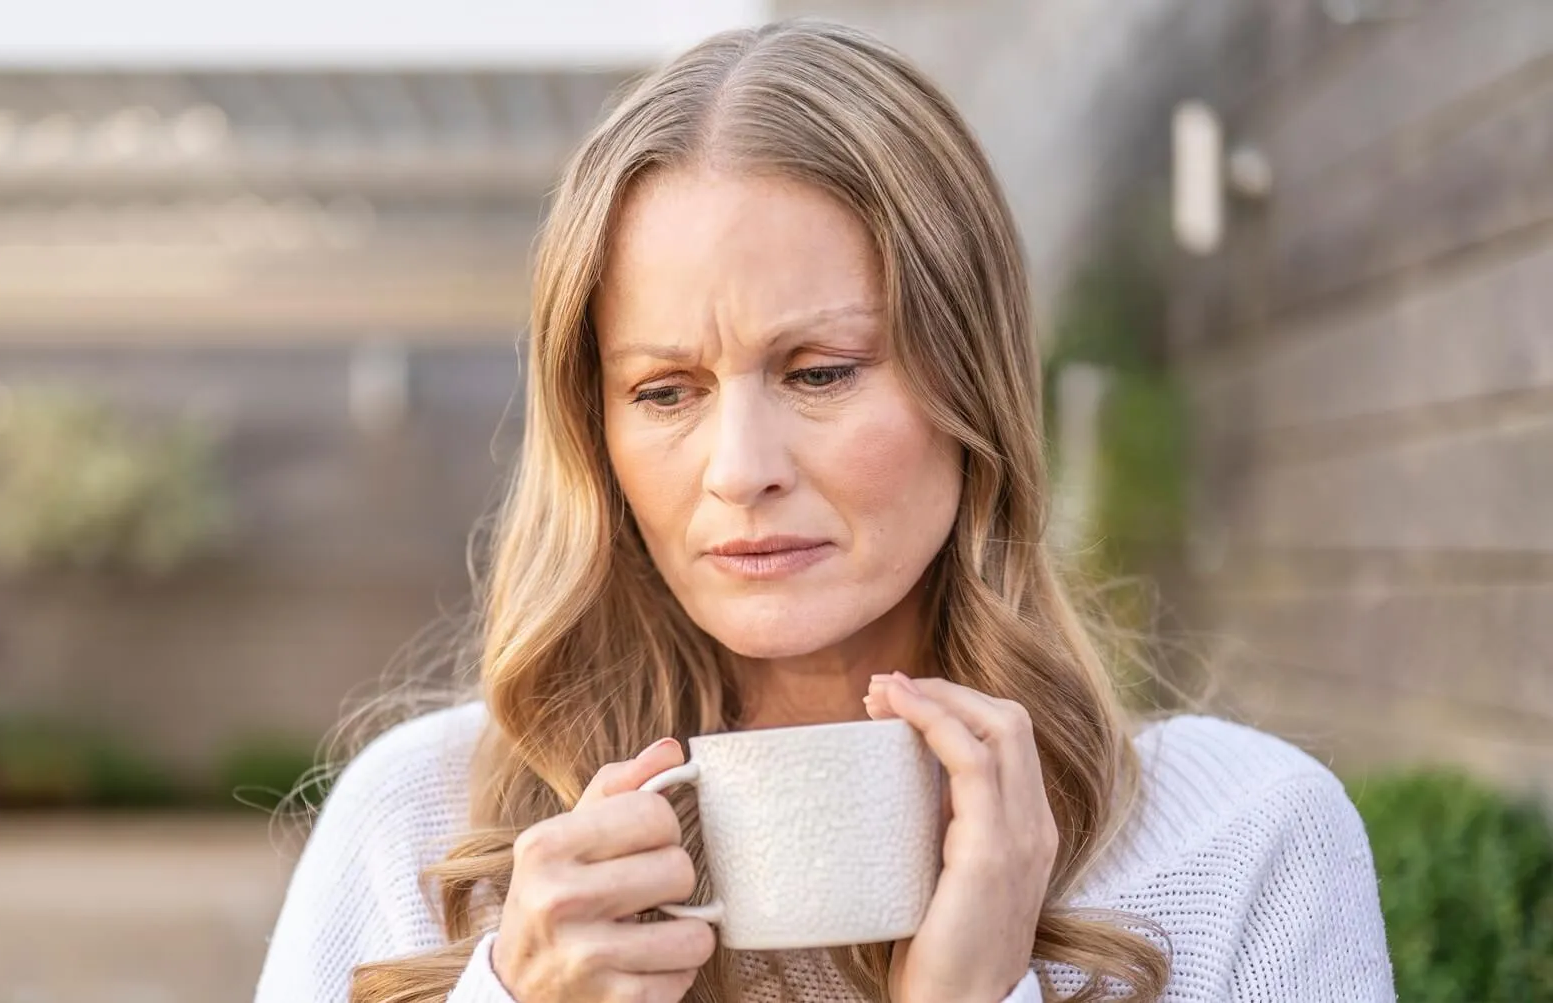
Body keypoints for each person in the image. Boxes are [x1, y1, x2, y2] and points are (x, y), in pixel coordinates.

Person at [257, 19, 1395, 1003]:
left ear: (974, 383)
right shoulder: (421, 829)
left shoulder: (1243, 842)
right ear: (595, 435)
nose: (739, 468)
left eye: (821, 371)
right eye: (665, 390)